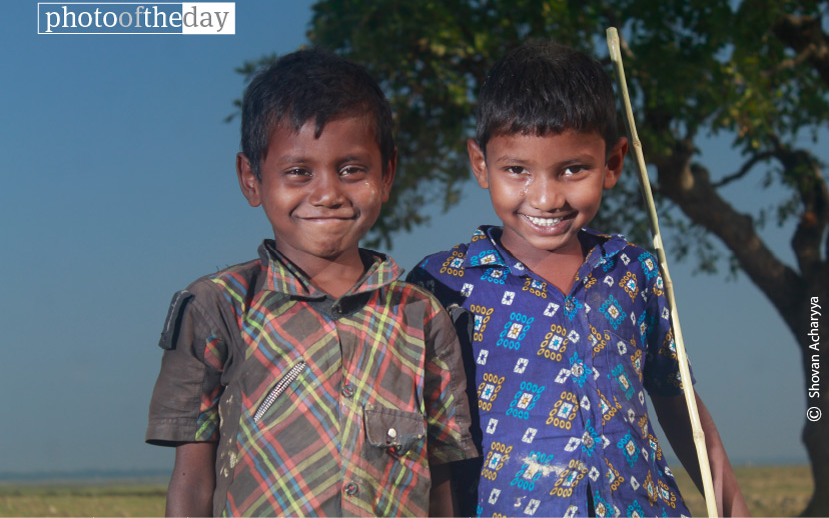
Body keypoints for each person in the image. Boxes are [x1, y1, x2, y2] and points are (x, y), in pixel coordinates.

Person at [407, 41, 748, 517]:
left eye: (572, 169)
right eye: (518, 170)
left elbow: (679, 402)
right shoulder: (440, 283)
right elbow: (427, 429)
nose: (546, 198)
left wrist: (734, 509)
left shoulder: (633, 271)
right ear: (481, 163)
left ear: (613, 163)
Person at [146, 48, 477, 517]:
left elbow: (439, 479)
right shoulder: (217, 308)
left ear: (387, 175)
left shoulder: (421, 316)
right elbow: (191, 482)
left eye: (351, 170)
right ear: (251, 178)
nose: (327, 193)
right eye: (298, 171)